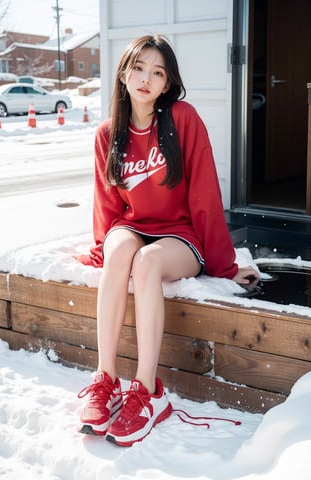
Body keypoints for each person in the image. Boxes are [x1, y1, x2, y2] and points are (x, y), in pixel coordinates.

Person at [77, 34, 260, 447]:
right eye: (139, 68)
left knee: (146, 264)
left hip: (179, 235)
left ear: (167, 84)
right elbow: (107, 203)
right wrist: (102, 251)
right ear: (124, 74)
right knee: (120, 250)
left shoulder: (182, 119)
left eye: (157, 72)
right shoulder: (108, 133)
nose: (146, 78)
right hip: (132, 226)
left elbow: (205, 197)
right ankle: (105, 380)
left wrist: (226, 266)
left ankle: (146, 392)